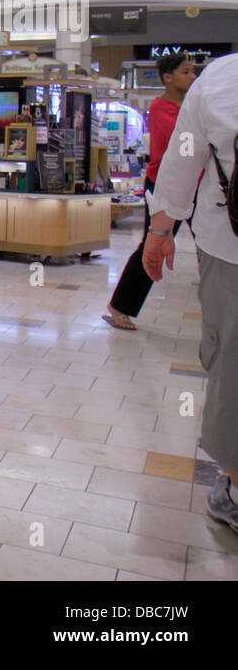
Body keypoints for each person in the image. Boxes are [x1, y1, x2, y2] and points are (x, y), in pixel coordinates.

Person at [141, 52, 238, 534]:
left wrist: (160, 230)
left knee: (232, 362)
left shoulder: (222, 77)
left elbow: (183, 159)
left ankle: (236, 491)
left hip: (230, 247)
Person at [103, 53, 198, 330]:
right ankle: (120, 306)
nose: (192, 77)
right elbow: (183, 146)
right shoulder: (161, 108)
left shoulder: (191, 108)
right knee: (152, 243)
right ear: (168, 78)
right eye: (185, 72)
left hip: (195, 185)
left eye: (192, 71)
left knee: (210, 243)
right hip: (166, 187)